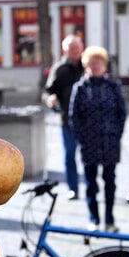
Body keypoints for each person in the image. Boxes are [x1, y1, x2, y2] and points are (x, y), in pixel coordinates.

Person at [69, 46, 126, 232]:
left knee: (110, 181)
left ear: (104, 65)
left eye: (99, 63)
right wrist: (81, 137)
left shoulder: (113, 86)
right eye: (92, 64)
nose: (95, 67)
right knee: (90, 183)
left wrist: (116, 133)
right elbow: (74, 115)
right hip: (89, 142)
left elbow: (121, 113)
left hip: (109, 141)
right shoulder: (80, 88)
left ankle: (109, 219)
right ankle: (93, 218)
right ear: (86, 65)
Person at [44, 35, 84, 200]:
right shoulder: (59, 69)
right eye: (71, 49)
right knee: (69, 155)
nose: (74, 51)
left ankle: (91, 187)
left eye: (77, 48)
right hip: (66, 119)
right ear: (65, 50)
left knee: (89, 156)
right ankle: (73, 188)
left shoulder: (88, 66)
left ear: (81, 48)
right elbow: (48, 91)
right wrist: (51, 99)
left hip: (87, 120)